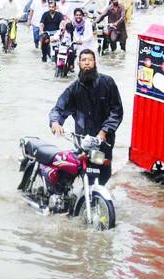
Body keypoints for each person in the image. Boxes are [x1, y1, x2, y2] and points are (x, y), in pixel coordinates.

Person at [49, 49, 123, 185]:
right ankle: (84, 201)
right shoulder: (74, 90)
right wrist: (55, 122)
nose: (87, 63)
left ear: (95, 62)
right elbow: (59, 108)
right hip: (83, 143)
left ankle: (98, 198)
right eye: (83, 60)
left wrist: (104, 130)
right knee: (86, 175)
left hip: (103, 143)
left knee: (103, 175)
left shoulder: (107, 83)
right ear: (79, 64)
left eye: (90, 60)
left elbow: (116, 111)